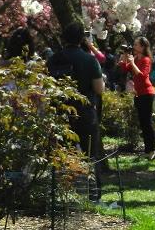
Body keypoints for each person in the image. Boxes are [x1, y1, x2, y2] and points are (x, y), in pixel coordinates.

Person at [47, 22, 105, 202]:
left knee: (62, 153)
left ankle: (65, 194)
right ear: (82, 38)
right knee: (90, 154)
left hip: (60, 111)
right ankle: (93, 195)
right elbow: (99, 88)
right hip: (85, 112)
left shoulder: (54, 59)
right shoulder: (89, 60)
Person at [118, 37, 155, 160]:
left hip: (147, 93)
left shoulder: (146, 60)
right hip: (138, 94)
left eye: (136, 45)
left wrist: (133, 63)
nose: (134, 47)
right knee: (143, 123)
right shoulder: (135, 58)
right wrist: (124, 59)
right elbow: (125, 69)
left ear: (143, 47)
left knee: (147, 122)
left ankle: (152, 150)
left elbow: (142, 75)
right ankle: (147, 150)